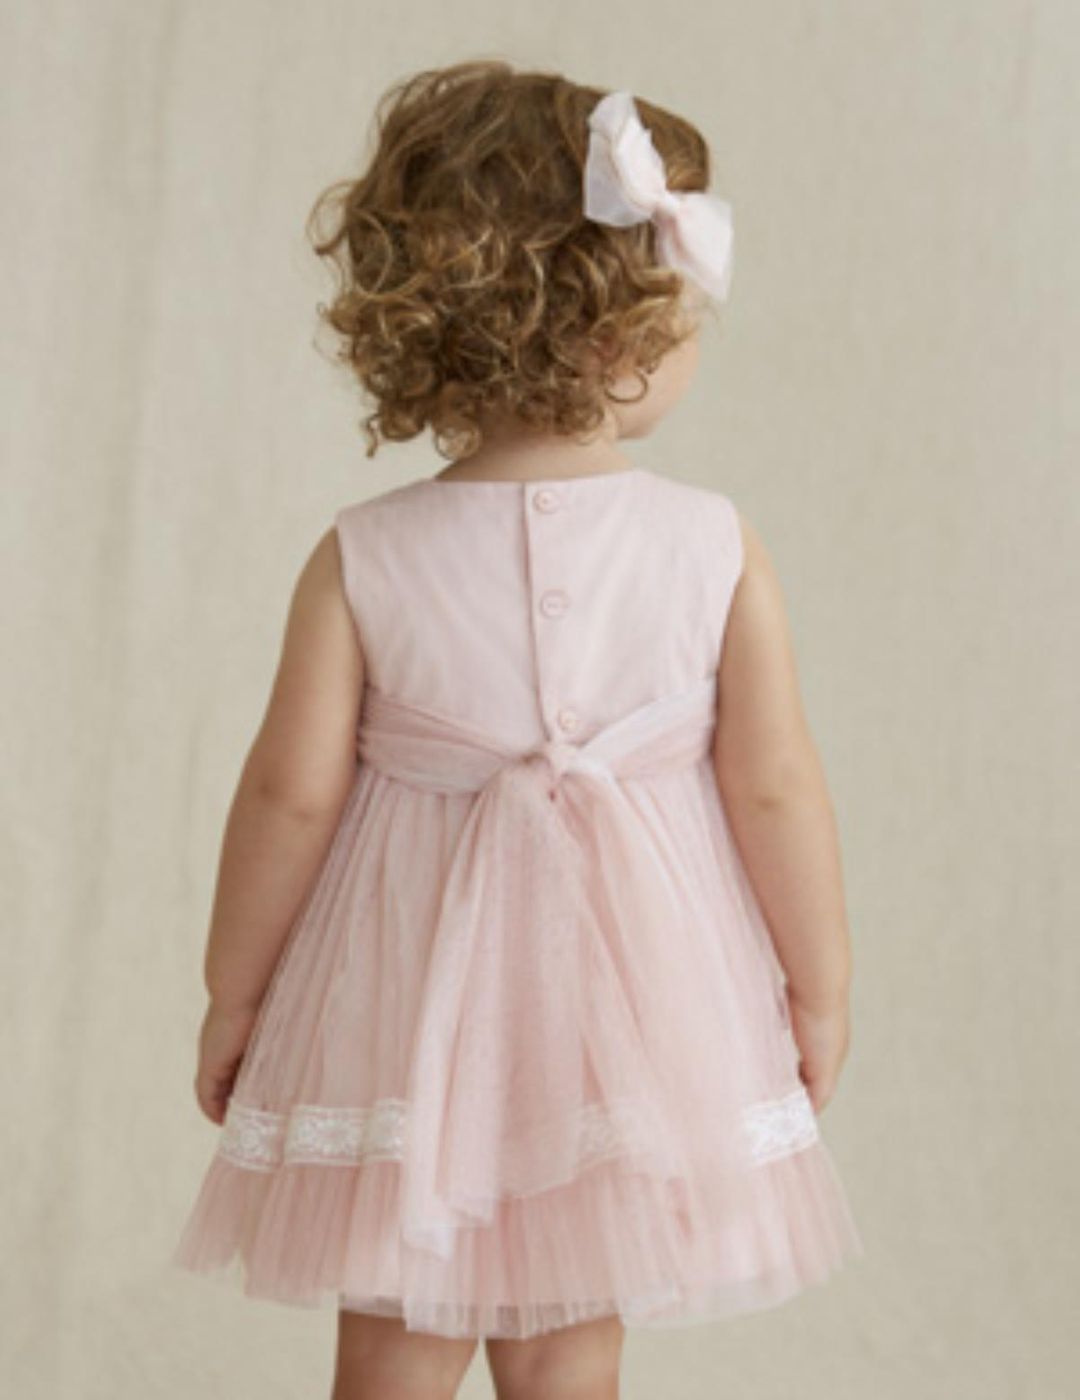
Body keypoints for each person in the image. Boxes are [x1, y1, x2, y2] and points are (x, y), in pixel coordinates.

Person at [170, 59, 863, 1400]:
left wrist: (237, 992)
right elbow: (776, 789)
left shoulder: (365, 554)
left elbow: (287, 798)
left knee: (393, 1329)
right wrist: (816, 985)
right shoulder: (713, 546)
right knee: (568, 1347)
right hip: (627, 1015)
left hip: (405, 1002)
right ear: (619, 331)